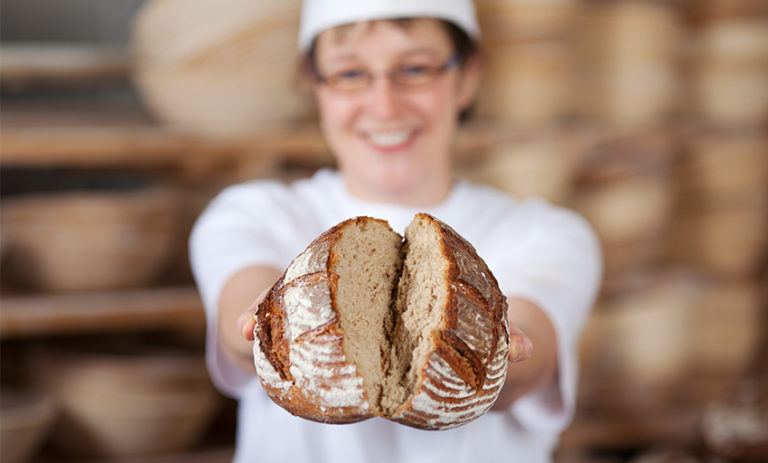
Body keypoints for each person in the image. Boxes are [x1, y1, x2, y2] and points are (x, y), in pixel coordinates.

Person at [189, 1, 602, 461]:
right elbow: (239, 328)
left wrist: (495, 353)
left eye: (416, 69)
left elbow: (525, 362)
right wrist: (267, 324)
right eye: (349, 73)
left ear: (467, 76)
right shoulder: (252, 213)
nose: (384, 104)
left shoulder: (549, 234)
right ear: (312, 82)